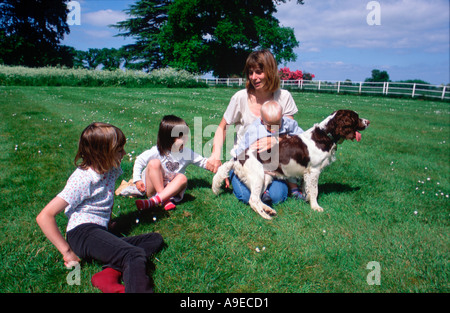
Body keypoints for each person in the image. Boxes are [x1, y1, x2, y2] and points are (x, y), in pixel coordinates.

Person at [36, 122, 164, 293]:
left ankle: (107, 275)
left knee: (154, 239)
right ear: (102, 154)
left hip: (99, 230)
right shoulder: (82, 179)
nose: (124, 153)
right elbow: (44, 216)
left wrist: (107, 223)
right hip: (82, 233)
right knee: (133, 255)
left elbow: (106, 197)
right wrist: (67, 252)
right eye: (119, 150)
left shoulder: (110, 169)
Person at [206, 49, 303, 204]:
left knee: (277, 196)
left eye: (259, 72)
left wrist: (277, 140)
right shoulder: (240, 97)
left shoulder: (283, 97)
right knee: (246, 196)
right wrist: (215, 155)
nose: (254, 77)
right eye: (250, 73)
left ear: (270, 71)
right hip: (246, 160)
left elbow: (294, 134)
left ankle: (289, 186)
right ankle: (238, 176)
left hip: (273, 161)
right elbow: (222, 127)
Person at [134, 115, 210, 211]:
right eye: (181, 137)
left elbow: (203, 162)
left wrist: (221, 170)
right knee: (154, 163)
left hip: (171, 189)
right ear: (168, 138)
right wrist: (137, 179)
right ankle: (163, 200)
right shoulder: (157, 151)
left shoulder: (186, 152)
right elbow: (139, 160)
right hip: (152, 188)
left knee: (182, 178)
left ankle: (156, 200)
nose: (185, 139)